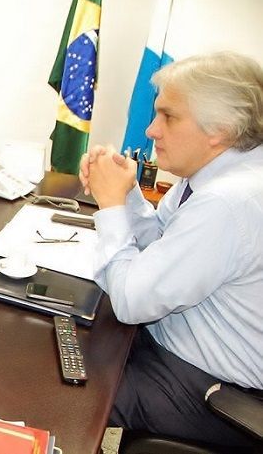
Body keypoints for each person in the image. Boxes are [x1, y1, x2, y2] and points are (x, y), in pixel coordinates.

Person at [79, 51, 263, 447]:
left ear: (221, 129)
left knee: (71, 392)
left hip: (218, 393)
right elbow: (162, 243)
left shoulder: (227, 201)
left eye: (168, 116)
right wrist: (126, 193)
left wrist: (110, 206)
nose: (151, 130)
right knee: (72, 334)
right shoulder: (217, 172)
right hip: (185, 349)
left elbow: (131, 302)